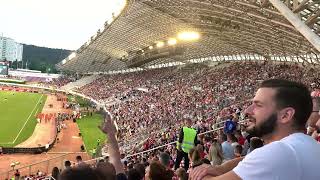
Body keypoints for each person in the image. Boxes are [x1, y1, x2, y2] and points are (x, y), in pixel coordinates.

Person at [201, 79, 320, 180]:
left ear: (285, 115)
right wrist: (220, 169)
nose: (247, 110)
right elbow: (252, 160)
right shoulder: (308, 144)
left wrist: (198, 172)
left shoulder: (279, 151)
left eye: (258, 105)